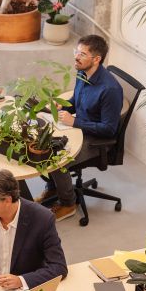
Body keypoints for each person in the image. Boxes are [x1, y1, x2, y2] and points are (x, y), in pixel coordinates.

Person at [38, 34, 124, 221]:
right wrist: (63, 105)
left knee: (56, 160)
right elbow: (77, 101)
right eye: (76, 51)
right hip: (78, 128)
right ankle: (53, 189)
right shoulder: (82, 72)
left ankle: (68, 203)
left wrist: (74, 122)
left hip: (96, 139)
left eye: (82, 54)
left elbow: (109, 129)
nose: (76, 57)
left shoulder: (110, 90)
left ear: (96, 59)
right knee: (41, 144)